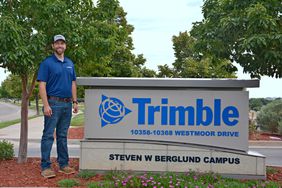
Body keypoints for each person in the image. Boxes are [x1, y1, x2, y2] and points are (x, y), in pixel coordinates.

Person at [37, 34, 78, 178]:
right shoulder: (47, 63)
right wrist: (46, 105)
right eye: (57, 43)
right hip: (53, 104)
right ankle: (45, 167)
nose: (60, 45)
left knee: (62, 136)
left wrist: (75, 101)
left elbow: (73, 83)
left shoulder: (70, 63)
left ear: (65, 45)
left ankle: (64, 164)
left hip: (67, 105)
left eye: (62, 43)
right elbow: (42, 84)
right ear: (53, 46)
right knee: (48, 136)